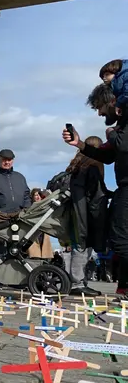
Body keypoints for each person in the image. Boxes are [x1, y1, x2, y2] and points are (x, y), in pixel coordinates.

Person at [64, 82, 127, 298]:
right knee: (119, 238)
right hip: (123, 188)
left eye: (99, 107)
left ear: (112, 101)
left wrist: (111, 132)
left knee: (120, 239)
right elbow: (108, 156)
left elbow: (122, 145)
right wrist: (80, 144)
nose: (99, 113)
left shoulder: (121, 125)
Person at [62, 135, 110, 296]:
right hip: (84, 214)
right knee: (82, 248)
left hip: (74, 212)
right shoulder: (93, 167)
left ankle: (77, 281)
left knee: (78, 247)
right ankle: (78, 283)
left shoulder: (76, 166)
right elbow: (95, 195)